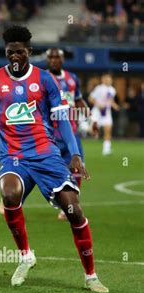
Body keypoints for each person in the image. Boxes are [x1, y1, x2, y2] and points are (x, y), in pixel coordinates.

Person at [0, 26, 108, 293]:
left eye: (19, 52)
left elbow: (63, 120)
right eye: (10, 52)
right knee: (9, 194)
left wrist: (76, 153)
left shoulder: (45, 80)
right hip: (13, 156)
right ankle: (25, 256)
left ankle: (91, 275)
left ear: (29, 52)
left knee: (73, 209)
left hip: (46, 153)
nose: (14, 57)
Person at [46, 47, 95, 220]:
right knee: (37, 170)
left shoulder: (72, 78)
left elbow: (79, 100)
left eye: (56, 57)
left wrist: (91, 120)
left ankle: (70, 206)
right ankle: (11, 199)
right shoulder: (42, 78)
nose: (53, 60)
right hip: (49, 134)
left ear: (62, 60)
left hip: (70, 133)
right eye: (50, 57)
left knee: (76, 168)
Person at [88, 74, 119, 155]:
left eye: (110, 79)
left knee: (108, 129)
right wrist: (98, 105)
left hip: (106, 112)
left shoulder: (112, 90)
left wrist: (114, 105)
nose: (108, 80)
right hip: (97, 112)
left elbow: (110, 100)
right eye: (107, 79)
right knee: (92, 130)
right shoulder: (99, 88)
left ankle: (106, 149)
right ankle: (83, 128)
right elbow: (90, 98)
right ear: (103, 79)